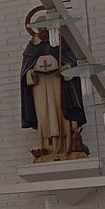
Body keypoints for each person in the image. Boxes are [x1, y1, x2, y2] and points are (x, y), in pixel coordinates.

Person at [20, 10, 88, 162]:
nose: (42, 31)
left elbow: (72, 62)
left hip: (59, 84)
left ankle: (67, 146)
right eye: (40, 28)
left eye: (45, 27)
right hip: (40, 88)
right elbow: (24, 73)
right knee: (45, 116)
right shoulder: (31, 47)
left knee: (60, 113)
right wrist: (31, 73)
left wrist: (67, 68)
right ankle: (48, 147)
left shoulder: (62, 43)